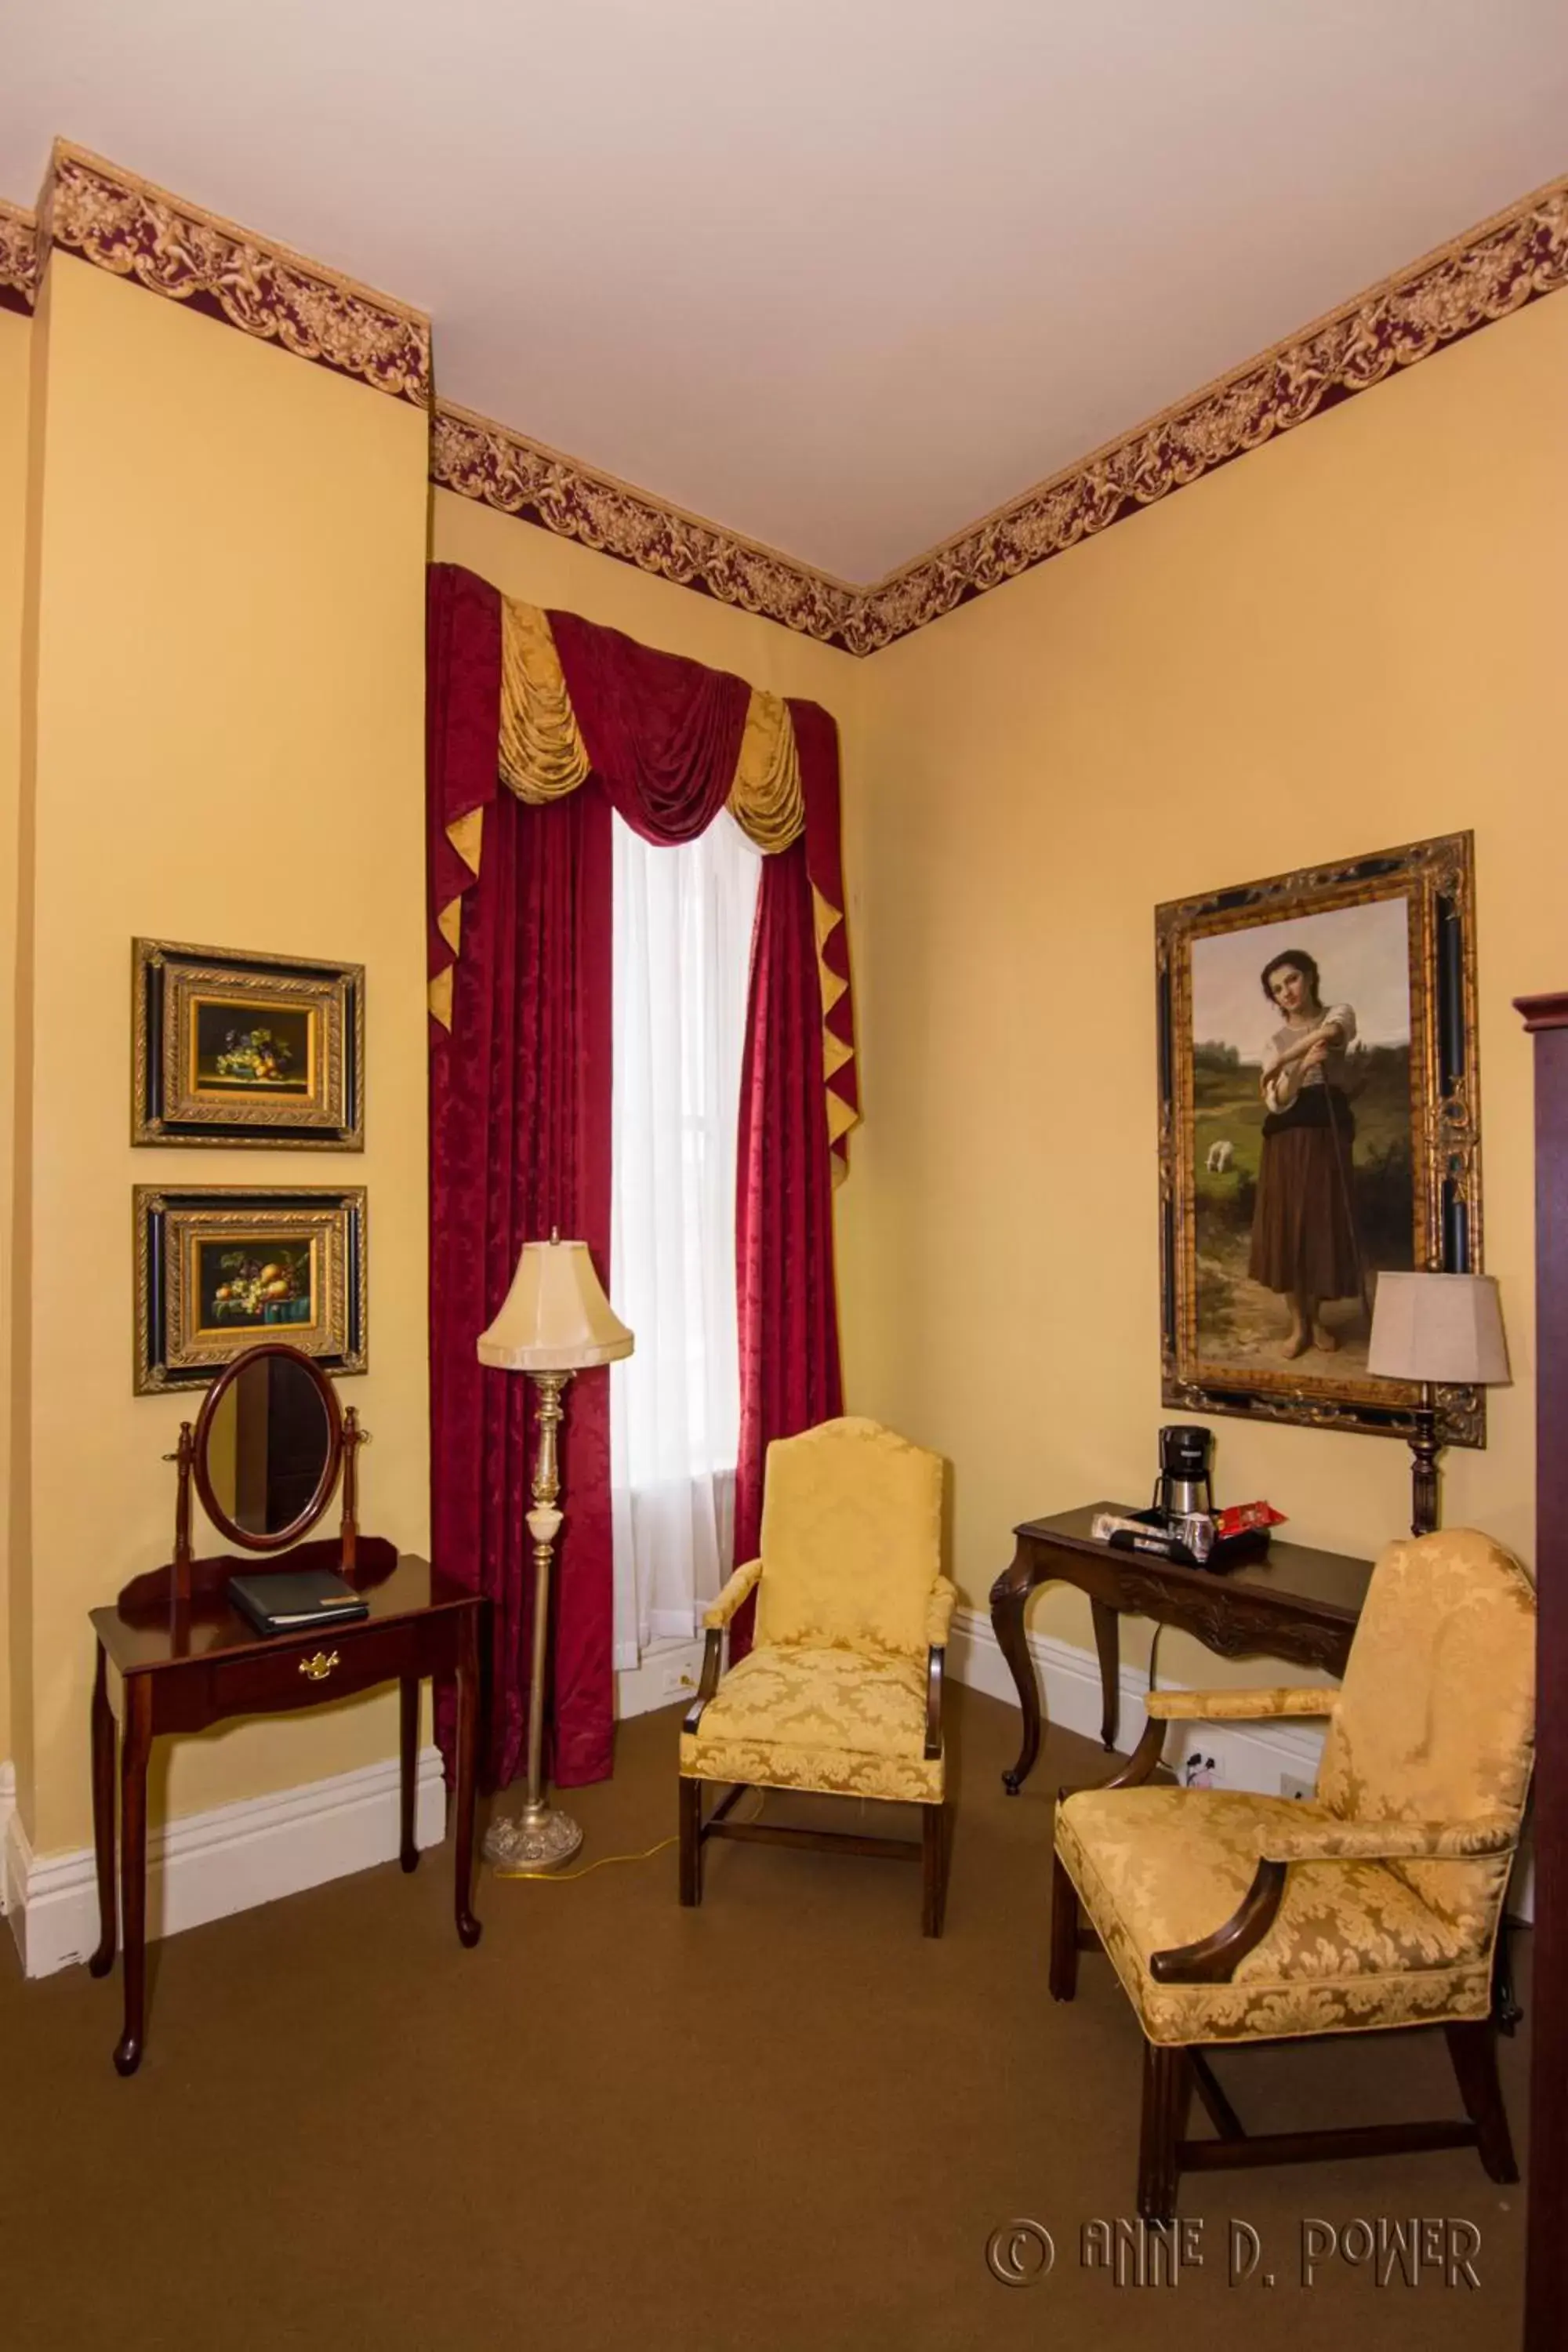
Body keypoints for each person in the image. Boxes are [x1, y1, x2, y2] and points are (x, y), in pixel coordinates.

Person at [1248, 949, 1364, 1359]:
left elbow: (1331, 1034)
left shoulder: (1339, 1014)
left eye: (1292, 980)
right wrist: (1297, 1067)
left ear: (1311, 977)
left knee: (1321, 1225)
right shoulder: (1271, 1041)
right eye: (1277, 990)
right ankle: (1299, 1325)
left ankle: (1318, 1321)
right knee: (1291, 1229)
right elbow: (1277, 1099)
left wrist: (1286, 1058)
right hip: (1286, 1140)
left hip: (1326, 1134)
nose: (1286, 993)